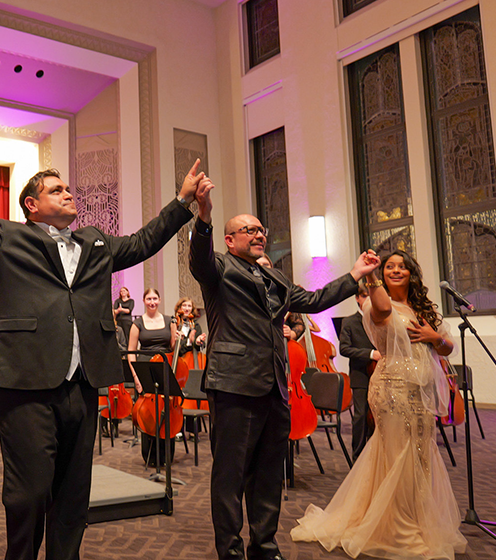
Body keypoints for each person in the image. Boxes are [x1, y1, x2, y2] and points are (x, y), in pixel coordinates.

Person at [0, 153, 209, 560]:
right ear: (31, 205)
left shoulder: (95, 241)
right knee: (29, 491)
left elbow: (144, 241)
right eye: (57, 190)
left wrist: (182, 203)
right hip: (26, 382)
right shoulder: (6, 238)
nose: (69, 193)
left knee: (74, 494)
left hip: (83, 382)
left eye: (68, 188)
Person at [188, 175, 380, 560]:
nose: (258, 234)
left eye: (261, 229)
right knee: (230, 474)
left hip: (275, 385)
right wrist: (204, 213)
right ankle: (230, 550)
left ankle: (265, 545)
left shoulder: (275, 277)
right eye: (249, 230)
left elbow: (314, 298)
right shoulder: (220, 270)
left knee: (269, 471)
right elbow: (198, 258)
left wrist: (355, 274)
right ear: (230, 239)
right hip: (233, 383)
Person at [291, 251, 466, 559]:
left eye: (402, 266)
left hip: (421, 391)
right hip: (392, 389)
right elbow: (384, 308)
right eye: (389, 267)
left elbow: (447, 348)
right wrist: (369, 275)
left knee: (421, 453)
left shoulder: (423, 309)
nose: (396, 270)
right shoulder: (375, 302)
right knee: (398, 452)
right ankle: (396, 525)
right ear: (382, 275)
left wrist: (432, 336)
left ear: (412, 273)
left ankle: (416, 516)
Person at [126, 288, 174, 466]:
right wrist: (136, 377)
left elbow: (174, 348)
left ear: (160, 300)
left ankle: (166, 455)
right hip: (145, 369)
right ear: (144, 301)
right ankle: (150, 456)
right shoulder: (137, 324)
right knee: (147, 413)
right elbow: (131, 352)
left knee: (167, 410)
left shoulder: (169, 321)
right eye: (148, 299)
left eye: (155, 298)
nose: (152, 302)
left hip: (165, 367)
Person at [337, 282, 379, 459]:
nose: (367, 299)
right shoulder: (350, 321)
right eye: (364, 295)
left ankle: (378, 456)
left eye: (370, 295)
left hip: (382, 374)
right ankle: (358, 457)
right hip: (361, 374)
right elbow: (344, 349)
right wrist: (370, 354)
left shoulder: (381, 319)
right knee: (361, 416)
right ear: (357, 298)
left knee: (381, 415)